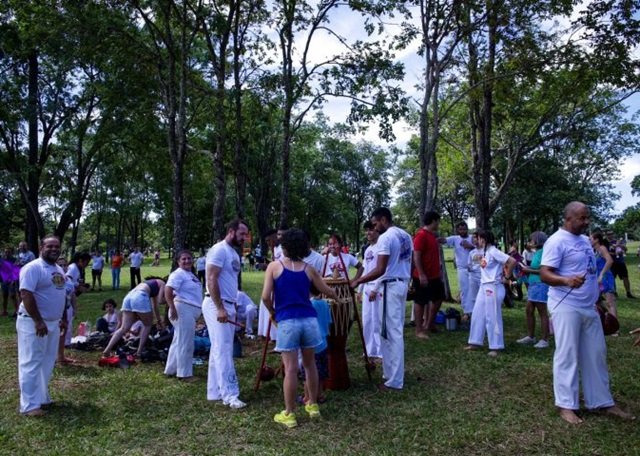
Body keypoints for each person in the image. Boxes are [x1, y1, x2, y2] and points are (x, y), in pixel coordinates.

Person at [540, 202, 635, 424]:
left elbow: (590, 273)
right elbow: (545, 274)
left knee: (596, 353)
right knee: (567, 354)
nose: (586, 221)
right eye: (582, 218)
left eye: (587, 217)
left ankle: (602, 401)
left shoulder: (584, 241)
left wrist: (597, 300)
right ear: (568, 219)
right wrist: (565, 280)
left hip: (589, 306)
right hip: (565, 305)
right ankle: (566, 405)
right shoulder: (556, 241)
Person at [261, 228, 338, 428]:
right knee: (310, 365)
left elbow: (265, 297)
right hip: (309, 321)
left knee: (291, 369)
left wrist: (273, 312)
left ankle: (289, 414)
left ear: (285, 246)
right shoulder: (308, 269)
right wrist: (337, 296)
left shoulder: (274, 267)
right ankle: (312, 405)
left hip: (288, 322)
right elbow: (326, 290)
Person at [351, 207, 413, 391]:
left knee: (392, 333)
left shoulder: (386, 238)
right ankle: (389, 373)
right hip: (401, 283)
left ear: (383, 220)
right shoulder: (406, 235)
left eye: (375, 223)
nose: (374, 227)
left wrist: (358, 281)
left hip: (390, 286)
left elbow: (380, 269)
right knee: (388, 330)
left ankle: (395, 380)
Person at [16, 235, 67, 416]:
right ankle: (29, 406)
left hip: (53, 323)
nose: (54, 249)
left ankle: (42, 398)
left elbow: (59, 294)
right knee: (31, 362)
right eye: (49, 246)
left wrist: (61, 318)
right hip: (33, 323)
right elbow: (26, 294)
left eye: (57, 246)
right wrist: (38, 321)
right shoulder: (33, 268)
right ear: (41, 248)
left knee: (47, 361)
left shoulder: (58, 269)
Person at [202, 219, 249, 409]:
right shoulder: (219, 250)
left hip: (229, 304)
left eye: (246, 234)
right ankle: (230, 395)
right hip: (216, 305)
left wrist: (232, 304)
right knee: (224, 349)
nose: (244, 238)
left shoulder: (233, 253)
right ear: (231, 231)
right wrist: (220, 307)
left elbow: (229, 281)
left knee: (219, 349)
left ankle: (215, 391)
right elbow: (211, 278)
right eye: (242, 234)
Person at [465, 230, 516, 357]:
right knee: (477, 313)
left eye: (478, 238)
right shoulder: (485, 252)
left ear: (484, 239)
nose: (476, 240)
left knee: (492, 316)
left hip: (493, 286)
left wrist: (507, 277)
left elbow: (512, 261)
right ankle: (475, 342)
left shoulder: (493, 251)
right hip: (484, 286)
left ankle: (496, 346)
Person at [102, 277, 165, 358]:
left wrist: (158, 320)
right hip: (140, 297)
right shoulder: (163, 283)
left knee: (124, 328)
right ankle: (139, 352)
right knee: (147, 325)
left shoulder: (148, 284)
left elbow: (155, 306)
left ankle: (107, 350)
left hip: (128, 297)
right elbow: (160, 301)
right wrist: (172, 298)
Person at [164, 250, 203, 382]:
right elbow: (168, 289)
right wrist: (172, 307)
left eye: (189, 258)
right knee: (186, 342)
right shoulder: (178, 274)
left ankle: (171, 369)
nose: (187, 261)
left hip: (190, 310)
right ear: (178, 261)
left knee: (178, 340)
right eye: (183, 259)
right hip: (182, 309)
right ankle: (184, 374)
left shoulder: (191, 275)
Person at [412, 211, 445, 338]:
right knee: (420, 301)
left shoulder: (431, 236)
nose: (438, 224)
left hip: (434, 276)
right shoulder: (421, 235)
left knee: (439, 297)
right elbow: (416, 256)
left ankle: (429, 323)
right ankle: (419, 330)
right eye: (438, 221)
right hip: (422, 276)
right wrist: (421, 274)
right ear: (433, 221)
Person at [516, 231, 551, 348]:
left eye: (531, 240)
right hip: (533, 284)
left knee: (542, 311)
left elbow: (543, 270)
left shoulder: (544, 252)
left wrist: (528, 270)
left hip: (540, 284)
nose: (530, 242)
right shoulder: (537, 252)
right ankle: (531, 337)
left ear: (537, 240)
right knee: (529, 310)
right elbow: (536, 267)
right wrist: (527, 267)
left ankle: (545, 339)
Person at [360, 221, 383, 359]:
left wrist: (375, 288)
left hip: (377, 287)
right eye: (366, 230)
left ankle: (380, 350)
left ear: (377, 231)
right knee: (367, 320)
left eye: (371, 230)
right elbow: (365, 270)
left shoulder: (382, 247)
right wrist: (359, 290)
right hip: (367, 288)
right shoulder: (368, 249)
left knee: (377, 320)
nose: (368, 233)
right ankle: (369, 349)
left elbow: (383, 270)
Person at [444, 221, 475, 318]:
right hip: (462, 269)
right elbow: (443, 240)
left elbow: (480, 249)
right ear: (457, 230)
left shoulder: (472, 238)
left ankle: (475, 311)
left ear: (467, 229)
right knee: (464, 290)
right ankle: (466, 311)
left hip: (474, 269)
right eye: (460, 229)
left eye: (464, 229)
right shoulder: (455, 239)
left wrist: (470, 246)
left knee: (474, 290)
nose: (462, 231)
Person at [56, 256, 78, 364]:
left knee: (65, 330)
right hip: (57, 309)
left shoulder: (69, 280)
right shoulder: (55, 278)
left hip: (67, 308)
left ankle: (61, 355)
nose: (63, 267)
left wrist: (74, 308)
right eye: (60, 265)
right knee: (56, 331)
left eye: (65, 265)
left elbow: (73, 295)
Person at [591, 231, 617, 321]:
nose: (589, 241)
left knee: (610, 302)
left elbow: (610, 261)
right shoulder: (595, 251)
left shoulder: (602, 248)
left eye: (591, 239)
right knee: (596, 300)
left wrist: (602, 274)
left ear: (596, 240)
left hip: (605, 278)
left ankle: (614, 326)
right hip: (598, 280)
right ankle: (606, 318)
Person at [605, 231, 635, 298]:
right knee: (612, 278)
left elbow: (626, 249)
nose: (610, 235)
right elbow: (605, 252)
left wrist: (619, 246)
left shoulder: (618, 241)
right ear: (606, 235)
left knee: (625, 277)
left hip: (621, 262)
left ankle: (628, 293)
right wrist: (614, 254)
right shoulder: (606, 243)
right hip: (612, 263)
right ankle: (614, 292)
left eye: (611, 234)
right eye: (608, 234)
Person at [465, 232, 482, 326]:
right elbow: (469, 264)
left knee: (482, 297)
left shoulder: (486, 251)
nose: (474, 240)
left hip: (483, 278)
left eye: (476, 237)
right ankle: (474, 316)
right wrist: (469, 268)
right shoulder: (472, 252)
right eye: (473, 238)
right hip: (473, 277)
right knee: (473, 297)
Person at [1, 247, 20, 317]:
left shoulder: (14, 260)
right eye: (6, 252)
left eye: (8, 252)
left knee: (13, 295)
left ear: (11, 253)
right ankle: (4, 311)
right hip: (4, 280)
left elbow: (16, 271)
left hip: (12, 280)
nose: (7, 253)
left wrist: (14, 280)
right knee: (4, 295)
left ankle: (17, 311)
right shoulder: (2, 260)